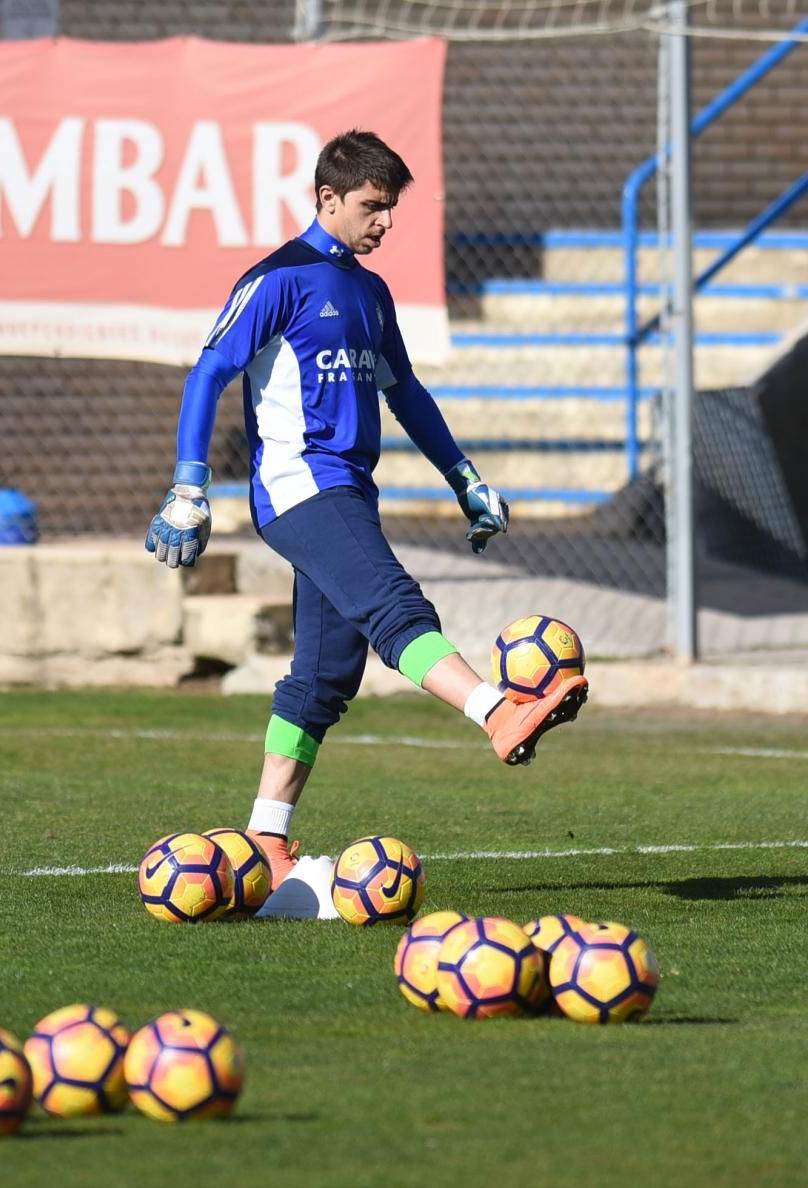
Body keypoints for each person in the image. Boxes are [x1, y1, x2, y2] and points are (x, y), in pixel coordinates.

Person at [145, 129, 588, 889]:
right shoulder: (276, 279)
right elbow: (208, 372)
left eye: (391, 209)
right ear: (327, 199)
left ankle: (265, 843)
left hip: (348, 490)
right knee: (393, 605)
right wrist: (190, 489)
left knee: (323, 677)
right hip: (298, 489)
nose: (385, 222)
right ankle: (495, 711)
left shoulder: (369, 292)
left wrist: (464, 477)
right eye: (372, 207)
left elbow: (405, 391)